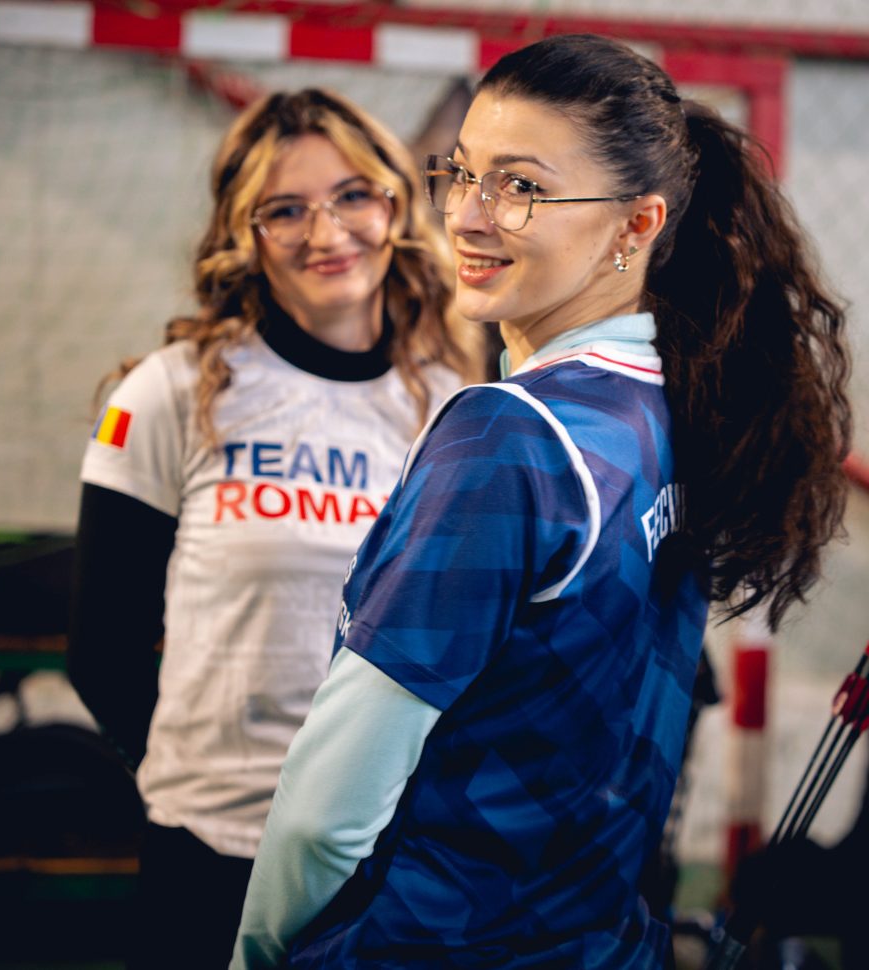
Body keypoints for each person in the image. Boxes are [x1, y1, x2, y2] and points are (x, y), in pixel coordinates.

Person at [230, 34, 852, 969]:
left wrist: (258, 954)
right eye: (462, 174)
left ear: (637, 225)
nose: (467, 217)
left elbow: (327, 814)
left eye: (520, 187)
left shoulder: (507, 438)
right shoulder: (677, 401)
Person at [66, 88, 479, 969]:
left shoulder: (455, 412)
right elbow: (101, 647)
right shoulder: (173, 392)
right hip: (207, 850)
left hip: (385, 859)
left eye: (352, 196)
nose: (326, 233)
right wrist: (192, 787)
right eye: (285, 209)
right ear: (243, 234)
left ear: (396, 209)